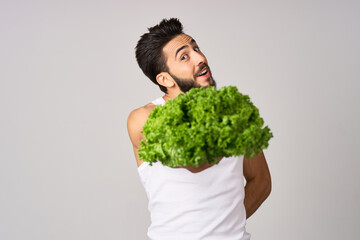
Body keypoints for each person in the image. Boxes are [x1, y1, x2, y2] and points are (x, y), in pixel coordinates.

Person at [127, 18, 271, 240]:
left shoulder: (232, 111)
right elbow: (192, 161)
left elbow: (261, 181)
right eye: (184, 56)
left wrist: (225, 226)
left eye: (196, 48)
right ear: (165, 78)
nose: (200, 58)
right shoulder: (144, 118)